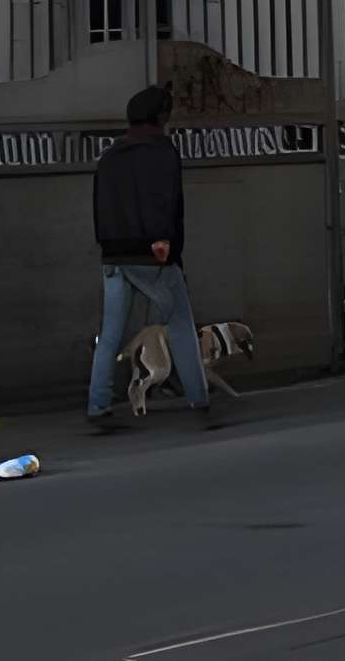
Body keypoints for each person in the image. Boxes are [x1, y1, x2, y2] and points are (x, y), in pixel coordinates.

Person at [85, 83, 221, 430]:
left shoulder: (111, 155)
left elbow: (101, 204)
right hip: (153, 253)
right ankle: (199, 399)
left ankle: (97, 404)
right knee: (179, 325)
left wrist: (108, 244)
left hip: (115, 254)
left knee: (111, 333)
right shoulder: (162, 151)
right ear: (160, 116)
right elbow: (166, 201)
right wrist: (165, 244)